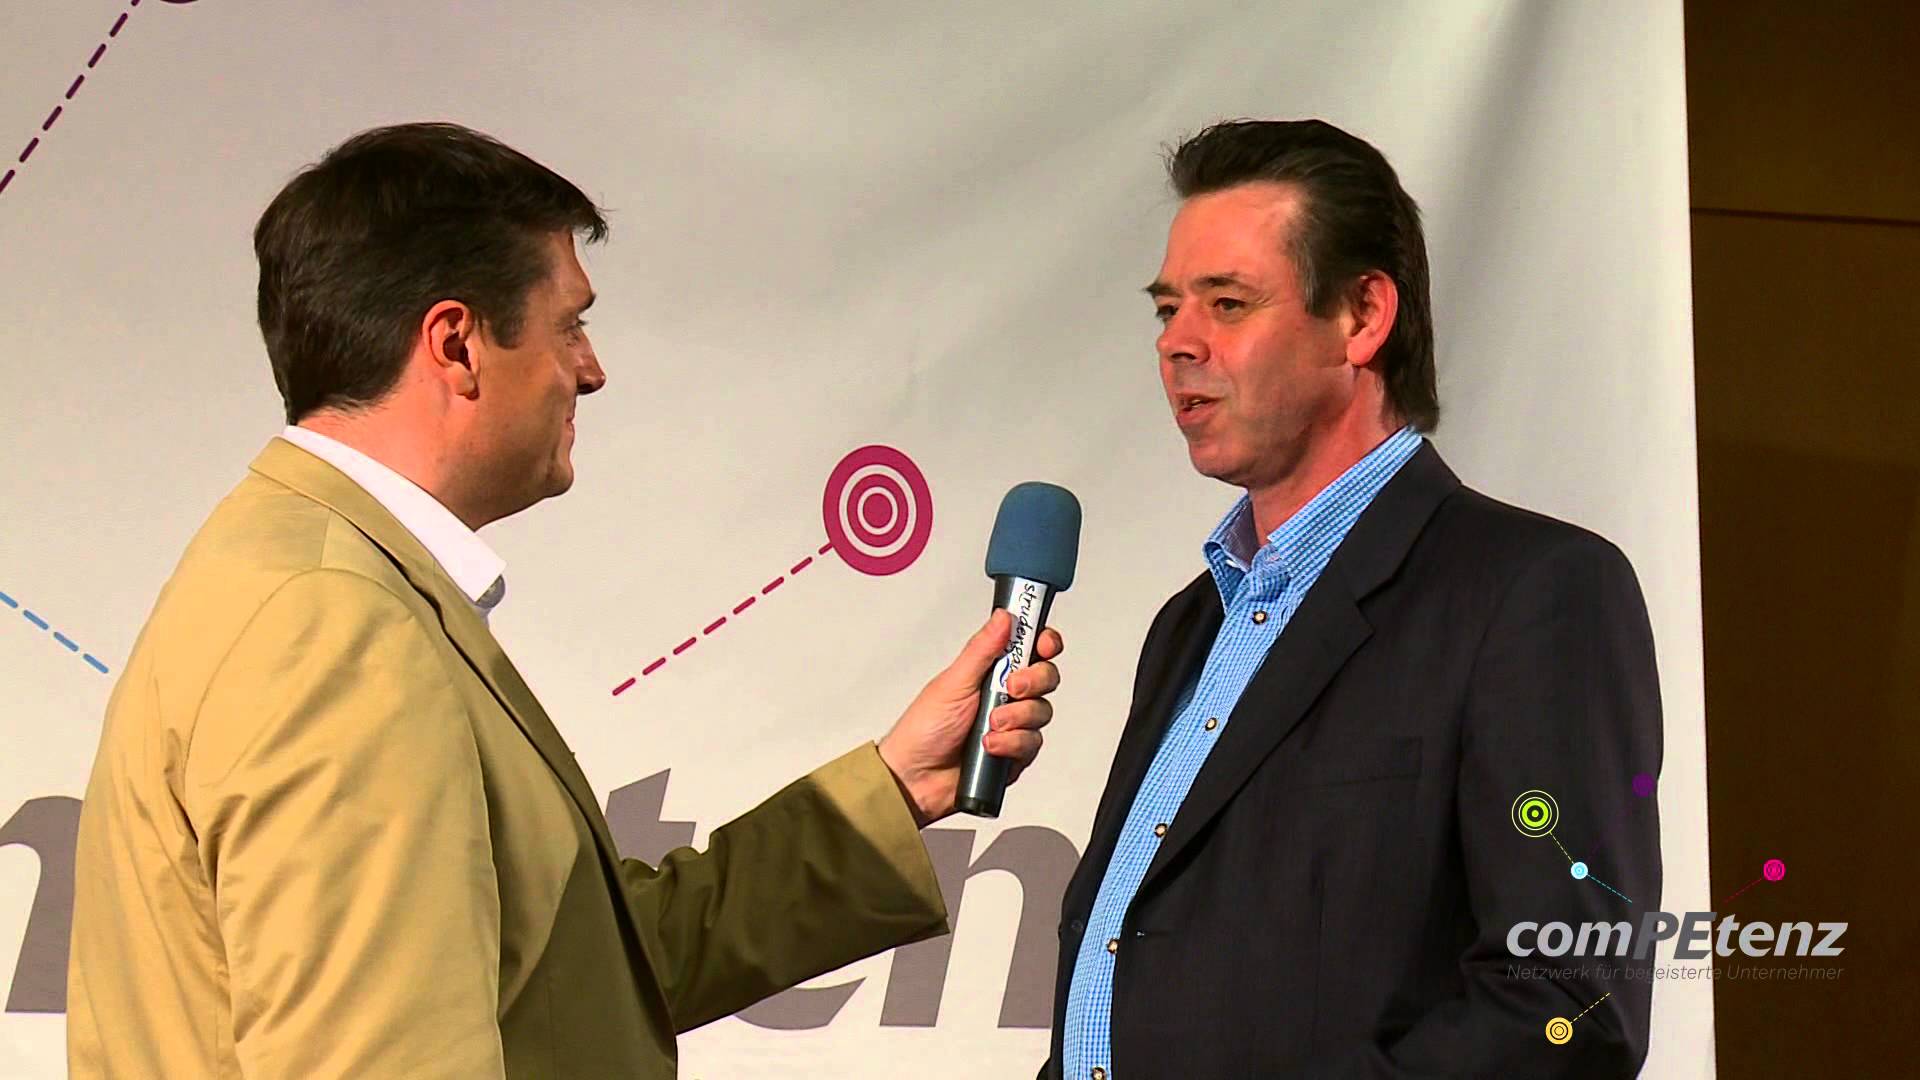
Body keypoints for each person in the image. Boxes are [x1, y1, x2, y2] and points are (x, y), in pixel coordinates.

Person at [66, 122, 1063, 1079]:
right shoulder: (331, 624)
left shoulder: (304, 573)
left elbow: (585, 975)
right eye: (570, 325)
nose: (591, 369)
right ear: (456, 345)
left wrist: (893, 789)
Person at [1044, 119, 1662, 1078]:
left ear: (1363, 316)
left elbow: (1569, 1006)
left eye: (1228, 303)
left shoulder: (1534, 592)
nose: (1178, 343)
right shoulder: (1189, 625)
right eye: (1168, 309)